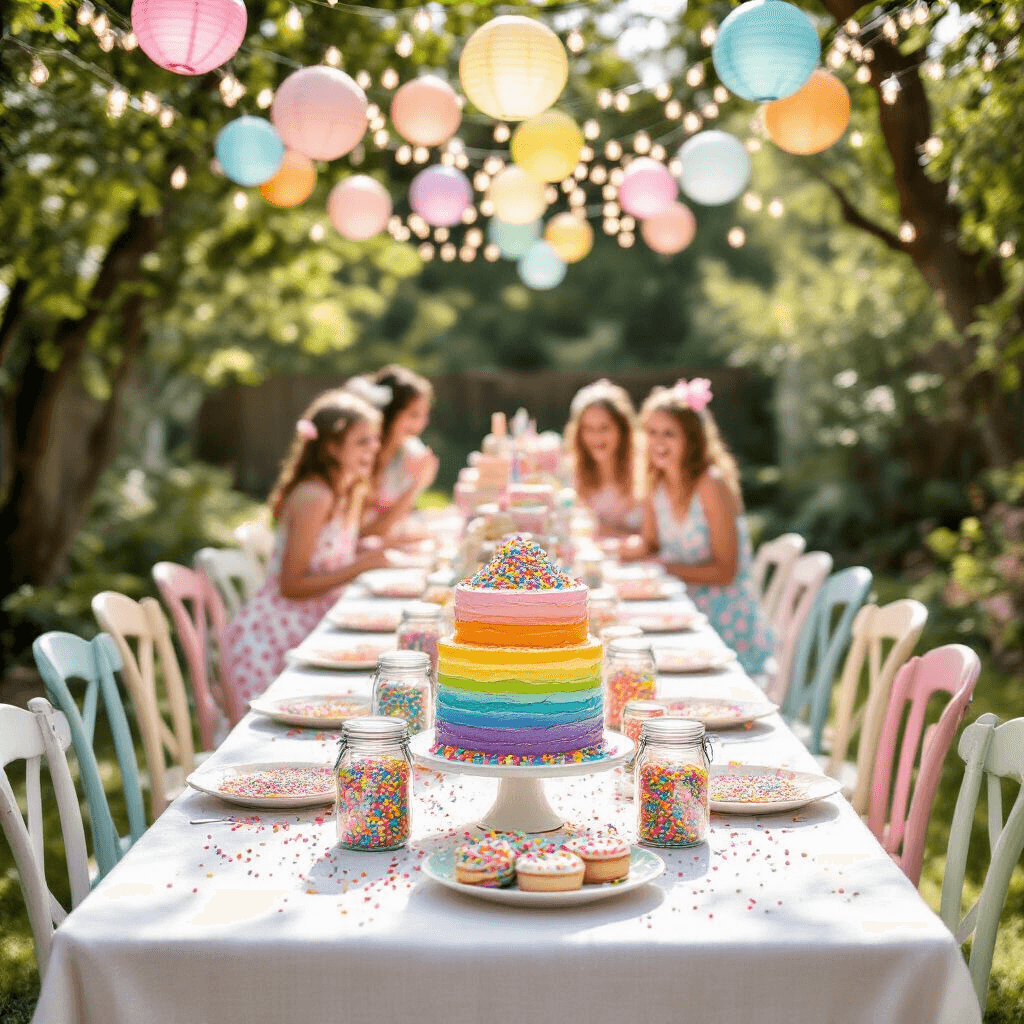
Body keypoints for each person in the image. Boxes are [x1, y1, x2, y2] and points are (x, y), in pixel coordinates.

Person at [225, 390, 390, 703]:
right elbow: (291, 585)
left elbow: (328, 557)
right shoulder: (315, 496)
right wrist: (359, 566)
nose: (374, 448)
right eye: (362, 441)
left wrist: (365, 553)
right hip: (274, 641)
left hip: (309, 628)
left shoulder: (342, 490)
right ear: (331, 446)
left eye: (375, 439)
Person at [624, 378, 776, 676]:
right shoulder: (658, 482)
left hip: (726, 620)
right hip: (683, 609)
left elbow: (725, 570)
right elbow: (650, 544)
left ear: (692, 439)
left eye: (669, 434)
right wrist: (624, 547)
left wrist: (665, 568)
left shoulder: (711, 484)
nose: (658, 442)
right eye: (652, 433)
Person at [347, 366, 440, 539]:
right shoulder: (361, 460)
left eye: (424, 416)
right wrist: (417, 485)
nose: (421, 424)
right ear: (387, 414)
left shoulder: (402, 454)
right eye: (413, 415)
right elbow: (363, 533)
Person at [564, 379, 642, 538]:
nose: (596, 437)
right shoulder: (574, 472)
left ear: (622, 429)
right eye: (589, 429)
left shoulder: (644, 471)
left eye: (604, 428)